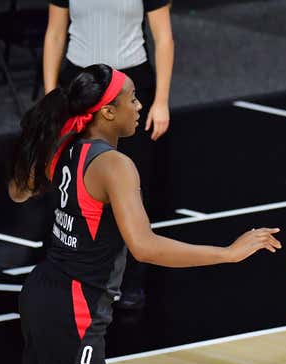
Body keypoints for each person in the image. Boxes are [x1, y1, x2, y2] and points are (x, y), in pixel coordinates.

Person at [5, 64, 281, 364]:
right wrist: (227, 253)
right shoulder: (115, 166)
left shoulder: (68, 143)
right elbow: (144, 247)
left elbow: (18, 191)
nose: (139, 106)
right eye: (132, 99)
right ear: (107, 111)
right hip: (75, 310)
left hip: (43, 292)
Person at [43, 0, 174, 309]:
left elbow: (163, 37)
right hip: (80, 85)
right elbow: (55, 33)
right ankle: (73, 273)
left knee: (133, 187)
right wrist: (51, 97)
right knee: (72, 183)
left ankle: (130, 281)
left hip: (129, 85)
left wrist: (161, 100)